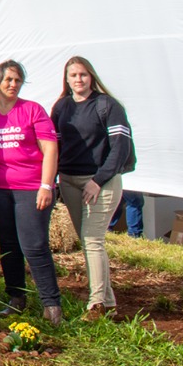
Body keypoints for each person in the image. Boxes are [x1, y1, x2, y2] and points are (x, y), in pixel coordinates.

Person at [51, 56, 134, 320]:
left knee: (92, 240)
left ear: (92, 77)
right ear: (66, 79)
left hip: (101, 182)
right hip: (70, 181)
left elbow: (120, 148)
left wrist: (98, 181)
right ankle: (108, 304)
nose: (79, 80)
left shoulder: (107, 105)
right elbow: (56, 146)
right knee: (88, 242)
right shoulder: (62, 107)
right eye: (73, 75)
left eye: (83, 75)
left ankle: (96, 304)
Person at [0, 59, 63, 324]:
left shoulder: (32, 110)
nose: (12, 84)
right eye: (7, 79)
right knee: (8, 245)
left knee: (34, 245)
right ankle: (16, 297)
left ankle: (51, 304)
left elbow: (50, 149)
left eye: (17, 80)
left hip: (30, 187)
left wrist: (46, 185)